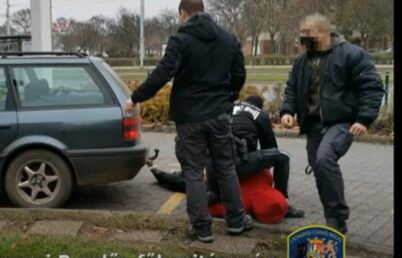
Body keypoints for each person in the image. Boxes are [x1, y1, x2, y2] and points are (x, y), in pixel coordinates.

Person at [125, 0, 252, 243]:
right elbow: (239, 73)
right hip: (218, 114)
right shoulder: (228, 39)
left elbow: (163, 73)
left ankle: (201, 227)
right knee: (226, 167)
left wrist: (136, 97)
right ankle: (236, 220)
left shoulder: (180, 40)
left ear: (182, 14)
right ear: (203, 10)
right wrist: (229, 97)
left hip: (190, 117)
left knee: (193, 171)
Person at [280, 13, 384, 234]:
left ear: (323, 33)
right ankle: (332, 217)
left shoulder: (351, 55)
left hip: (341, 121)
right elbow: (291, 87)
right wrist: (287, 111)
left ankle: (337, 220)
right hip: (313, 125)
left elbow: (372, 87)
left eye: (306, 34)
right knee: (319, 167)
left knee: (325, 159)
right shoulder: (303, 60)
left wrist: (363, 119)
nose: (301, 39)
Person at [148, 95, 305, 219]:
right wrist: (257, 168)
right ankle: (283, 201)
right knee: (283, 157)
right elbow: (271, 148)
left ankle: (205, 198)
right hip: (236, 163)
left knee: (200, 181)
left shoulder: (227, 107)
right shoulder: (260, 115)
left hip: (212, 163)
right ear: (259, 106)